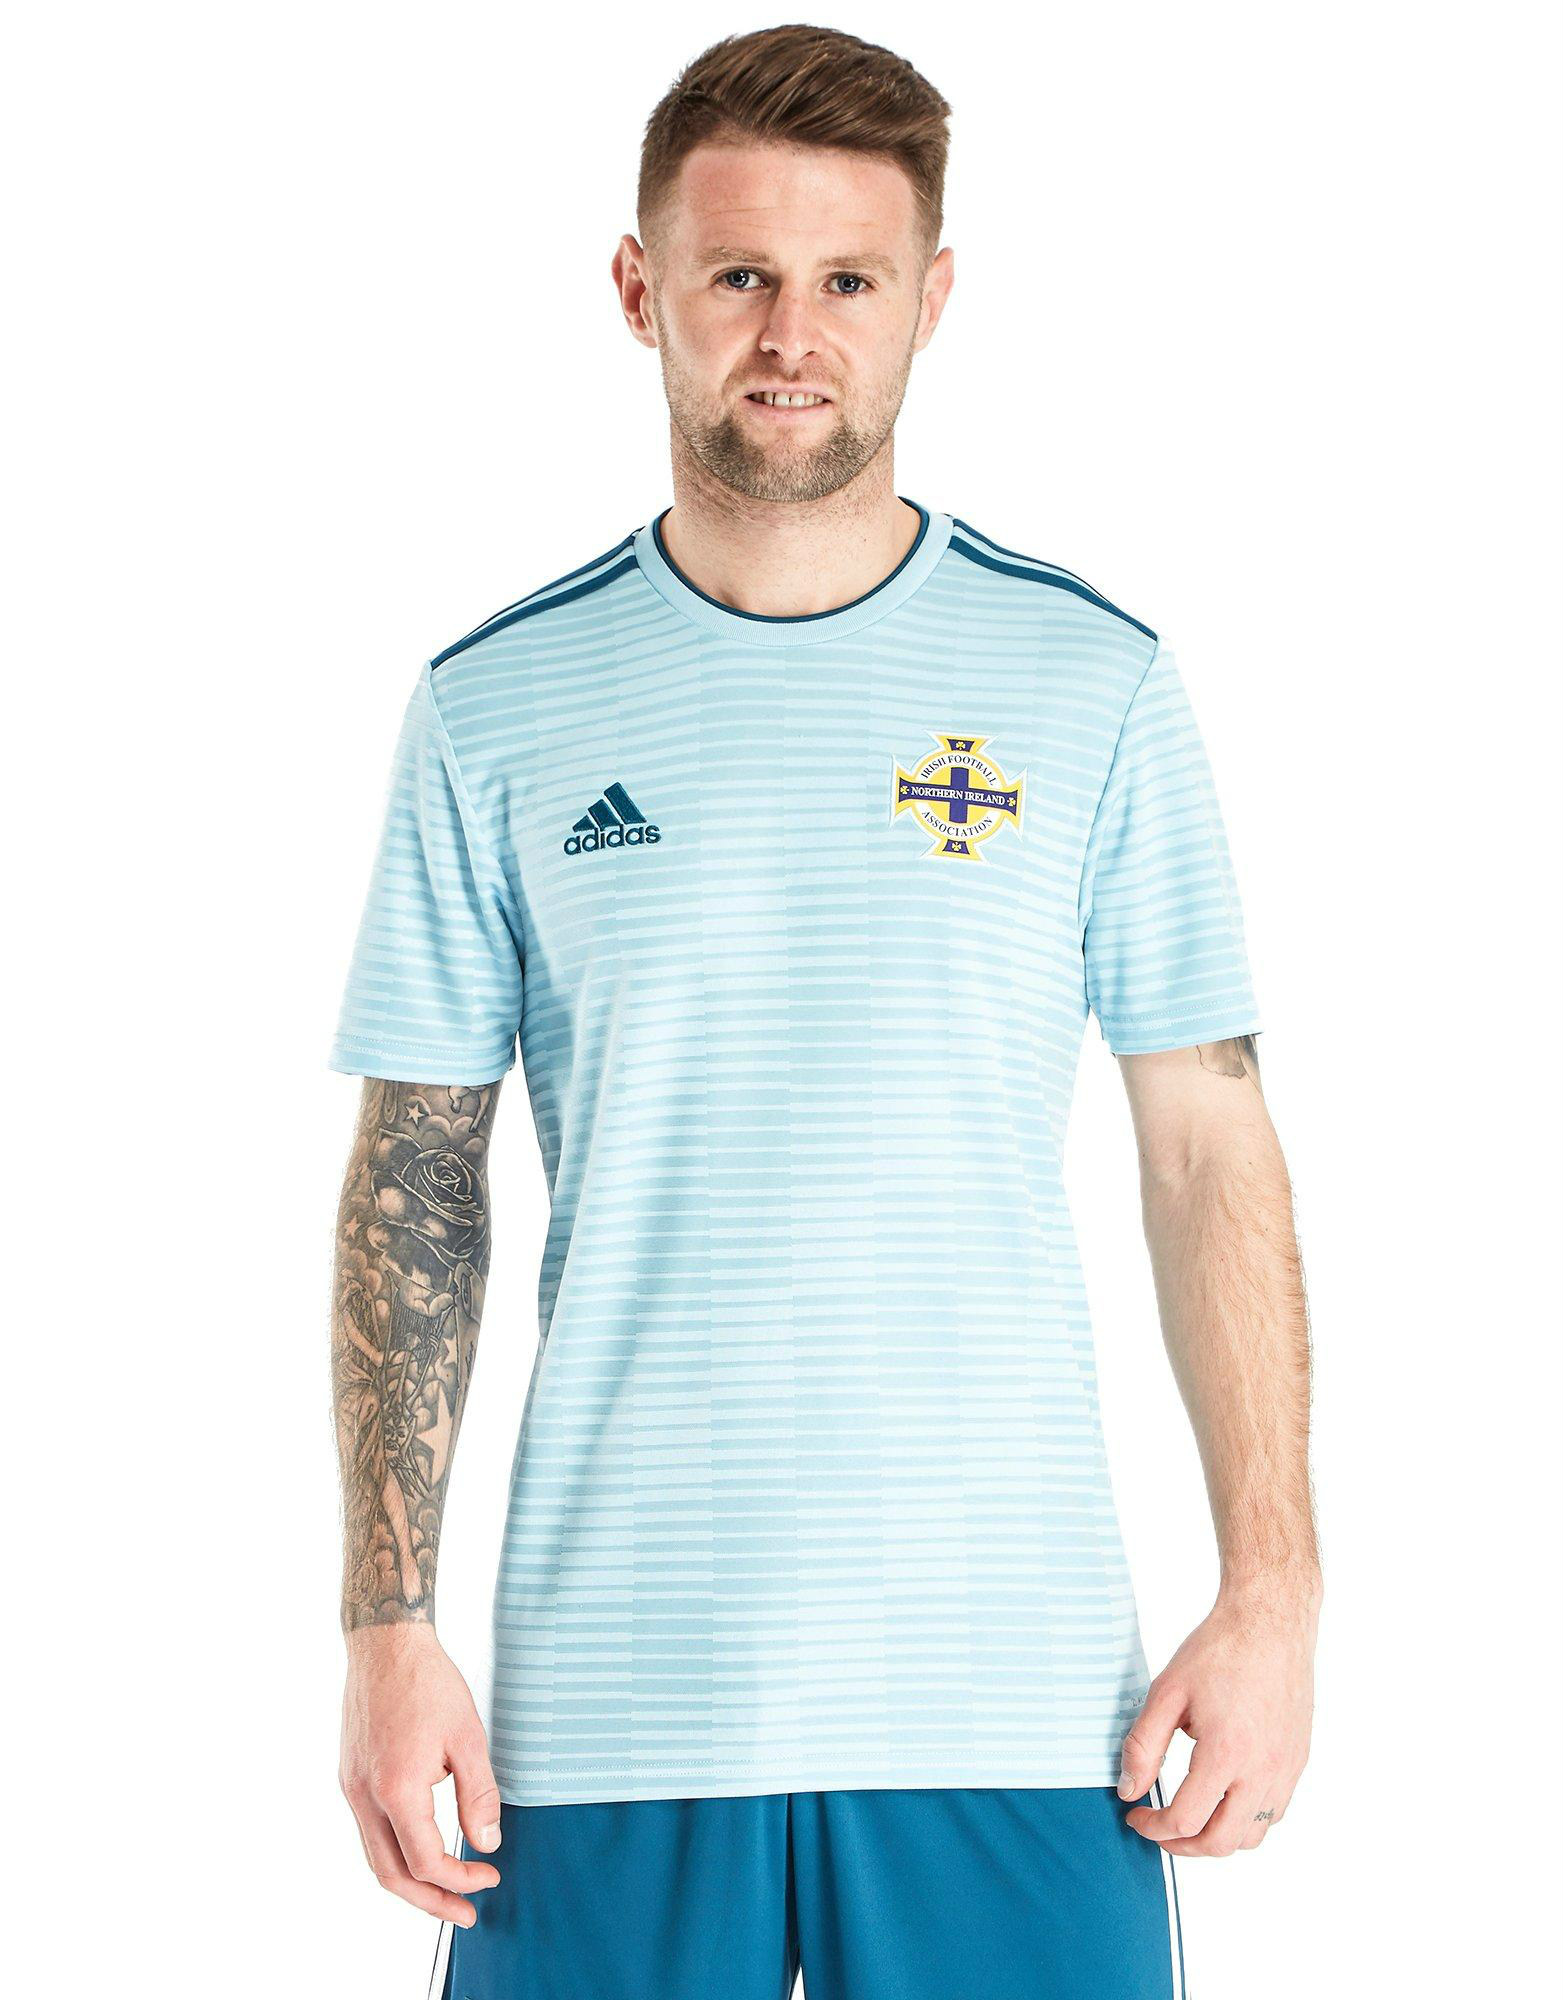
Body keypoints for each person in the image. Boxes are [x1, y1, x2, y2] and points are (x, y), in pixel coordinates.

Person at [328, 23, 1320, 2000]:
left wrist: (1275, 1584)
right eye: (739, 274)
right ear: (641, 291)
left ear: (931, 299)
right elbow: (417, 1168)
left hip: (1020, 1701)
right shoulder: (493, 707)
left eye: (849, 279)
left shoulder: (1091, 682)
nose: (792, 334)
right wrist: (384, 1624)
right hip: (606, 1709)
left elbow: (1207, 1144)